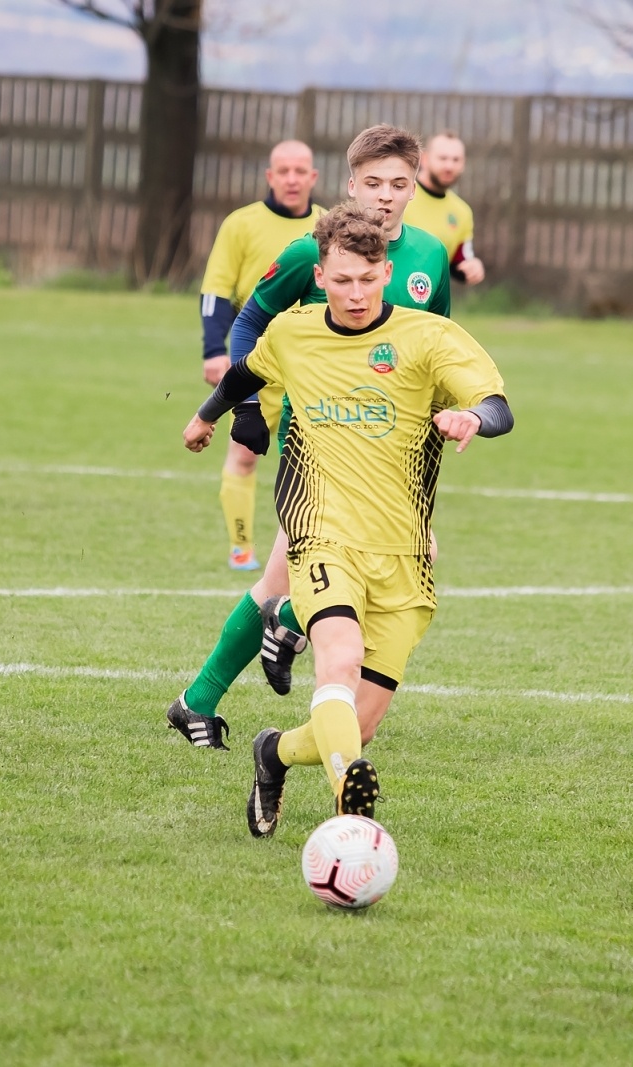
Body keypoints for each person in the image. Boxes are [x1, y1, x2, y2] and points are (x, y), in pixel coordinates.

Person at [180, 203, 513, 832]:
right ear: (321, 276)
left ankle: (272, 752)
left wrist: (473, 419)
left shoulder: (428, 337)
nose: (355, 293)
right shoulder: (296, 330)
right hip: (321, 535)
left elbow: (496, 403)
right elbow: (245, 372)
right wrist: (205, 417)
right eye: (341, 280)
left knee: (358, 725)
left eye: (366, 278)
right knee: (336, 659)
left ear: (385, 272)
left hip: (405, 555)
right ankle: (348, 810)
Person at [165, 124, 454, 751]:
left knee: (279, 581)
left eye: (398, 185)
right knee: (307, 573)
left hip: (394, 452)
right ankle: (281, 638)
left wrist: (450, 415)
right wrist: (245, 409)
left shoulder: (430, 256)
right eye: (372, 183)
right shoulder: (311, 252)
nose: (384, 196)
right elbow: (250, 323)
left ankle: (199, 699)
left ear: (414, 190)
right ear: (350, 185)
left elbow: (439, 351)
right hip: (316, 441)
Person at [198, 140, 323, 571]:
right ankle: (242, 548)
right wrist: (215, 350)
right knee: (245, 450)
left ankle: (310, 546)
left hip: (314, 364)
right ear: (270, 177)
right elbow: (216, 291)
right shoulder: (241, 224)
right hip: (257, 356)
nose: (291, 178)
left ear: (313, 178)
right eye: (283, 170)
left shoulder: (329, 226)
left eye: (299, 170)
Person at [403, 130, 485, 285]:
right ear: (425, 159)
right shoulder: (399, 194)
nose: (449, 166)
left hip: (430, 304)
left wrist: (473, 267)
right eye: (443, 158)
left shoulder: (462, 212)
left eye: (456, 160)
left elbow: (460, 262)